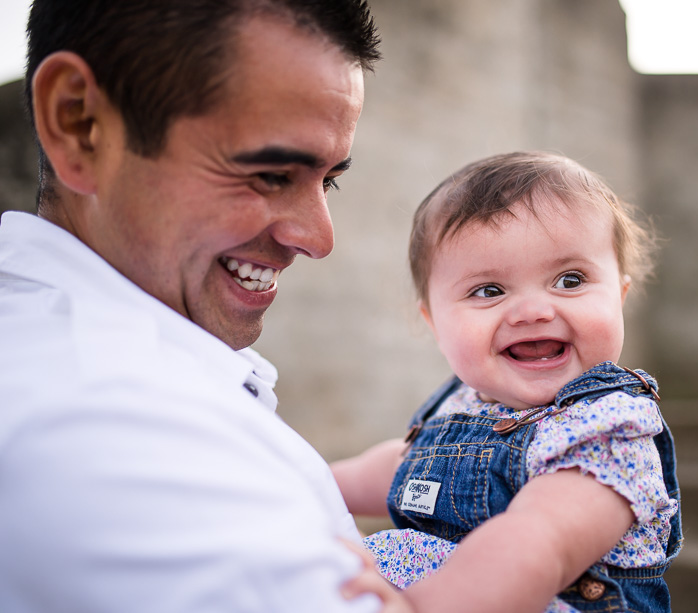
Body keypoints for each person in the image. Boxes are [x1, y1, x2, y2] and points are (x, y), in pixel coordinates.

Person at [0, 1, 411, 611]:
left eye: (328, 181)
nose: (319, 239)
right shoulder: (108, 427)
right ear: (80, 123)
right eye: (271, 174)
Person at [332, 151, 683, 613]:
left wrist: (422, 607)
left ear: (619, 296)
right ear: (434, 323)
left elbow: (536, 542)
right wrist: (306, 482)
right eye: (489, 291)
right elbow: (402, 466)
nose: (533, 310)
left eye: (570, 279)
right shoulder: (465, 403)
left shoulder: (609, 430)